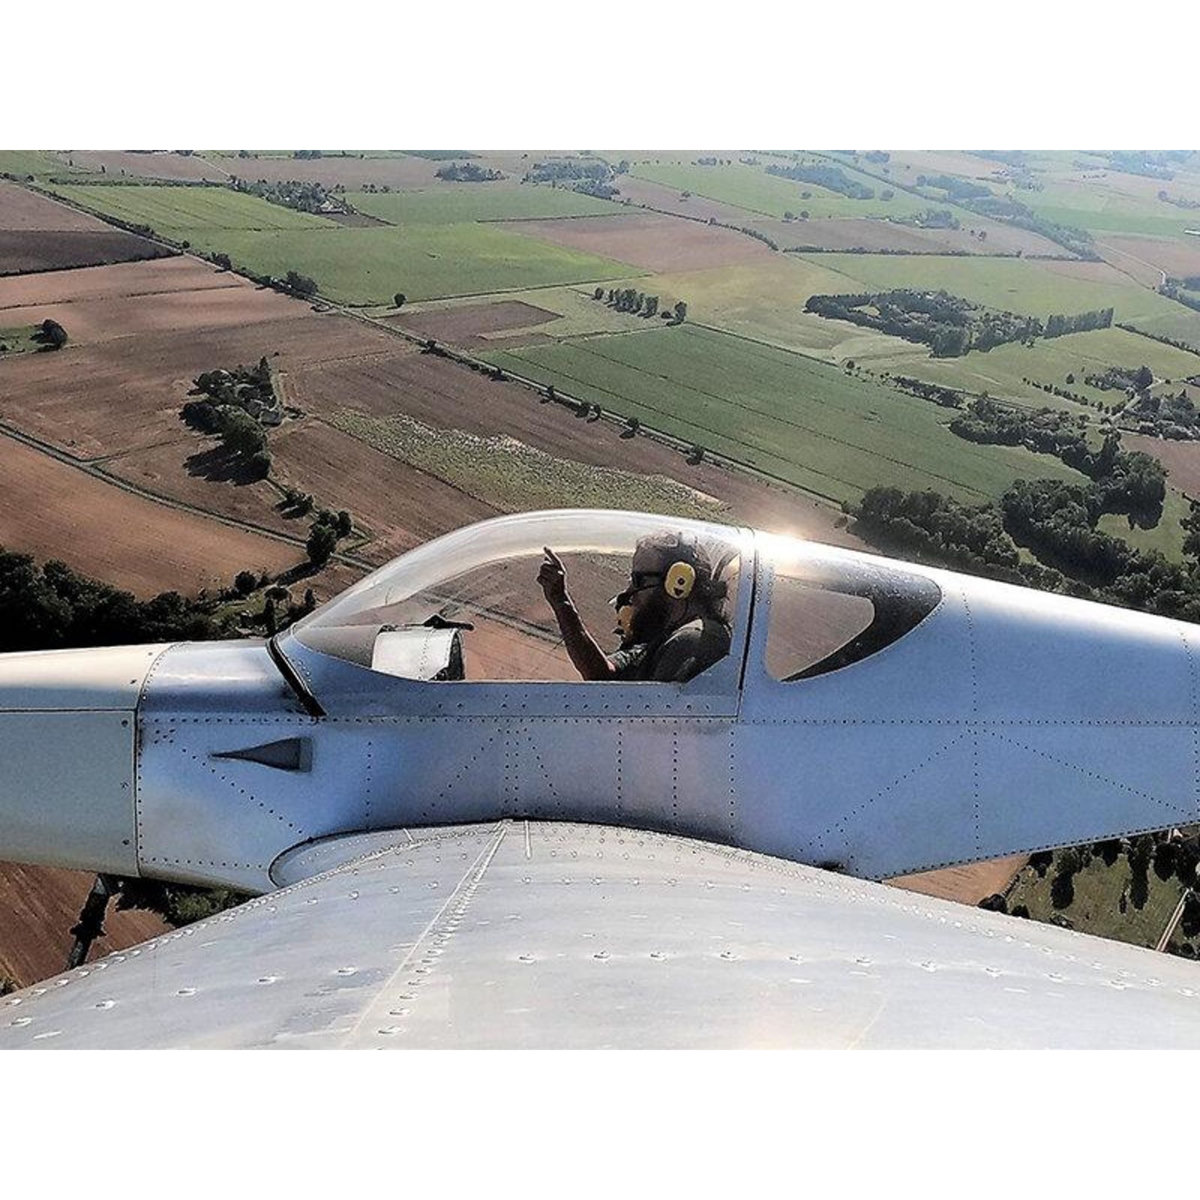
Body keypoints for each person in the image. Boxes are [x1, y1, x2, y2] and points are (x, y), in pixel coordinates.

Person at [537, 531, 734, 683]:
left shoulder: (693, 642)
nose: (631, 591)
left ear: (678, 582)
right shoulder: (663, 637)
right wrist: (560, 601)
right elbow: (602, 674)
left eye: (638, 580)